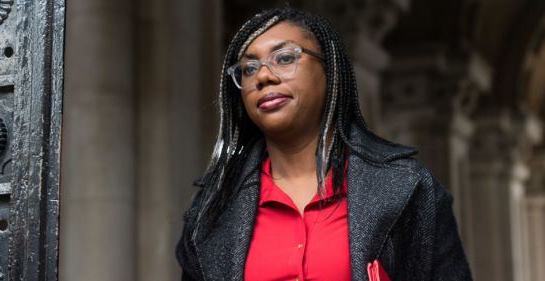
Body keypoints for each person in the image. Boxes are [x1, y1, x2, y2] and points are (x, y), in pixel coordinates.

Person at [177, 7, 472, 281]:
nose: (264, 76)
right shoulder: (212, 210)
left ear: (329, 71)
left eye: (284, 58)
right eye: (248, 68)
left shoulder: (408, 188)